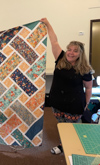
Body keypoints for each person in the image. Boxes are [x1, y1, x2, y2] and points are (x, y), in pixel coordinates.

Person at [40, 18, 93, 154]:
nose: (70, 52)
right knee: (62, 125)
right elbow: (54, 40)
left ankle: (69, 147)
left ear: (80, 54)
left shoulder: (85, 68)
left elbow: (88, 88)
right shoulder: (61, 58)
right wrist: (47, 23)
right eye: (69, 49)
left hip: (75, 105)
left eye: (75, 51)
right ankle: (63, 144)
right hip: (57, 103)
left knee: (72, 127)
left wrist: (86, 104)